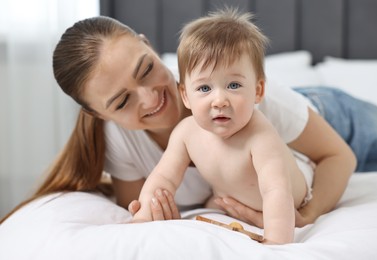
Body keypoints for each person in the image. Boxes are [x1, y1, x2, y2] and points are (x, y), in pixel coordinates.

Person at [2, 9, 377, 227]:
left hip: (333, 120)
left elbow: (338, 157)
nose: (152, 98)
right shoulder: (119, 140)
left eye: (146, 69)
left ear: (148, 44)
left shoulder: (250, 103)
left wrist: (307, 213)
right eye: (121, 102)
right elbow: (142, 205)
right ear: (97, 114)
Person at [132, 9, 316, 245]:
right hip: (236, 192)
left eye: (233, 85)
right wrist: (145, 214)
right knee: (214, 202)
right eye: (204, 89)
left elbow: (275, 192)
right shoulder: (186, 133)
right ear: (185, 96)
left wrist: (277, 242)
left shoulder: (260, 135)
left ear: (258, 91)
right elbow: (163, 179)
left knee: (283, 173)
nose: (219, 100)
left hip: (294, 184)